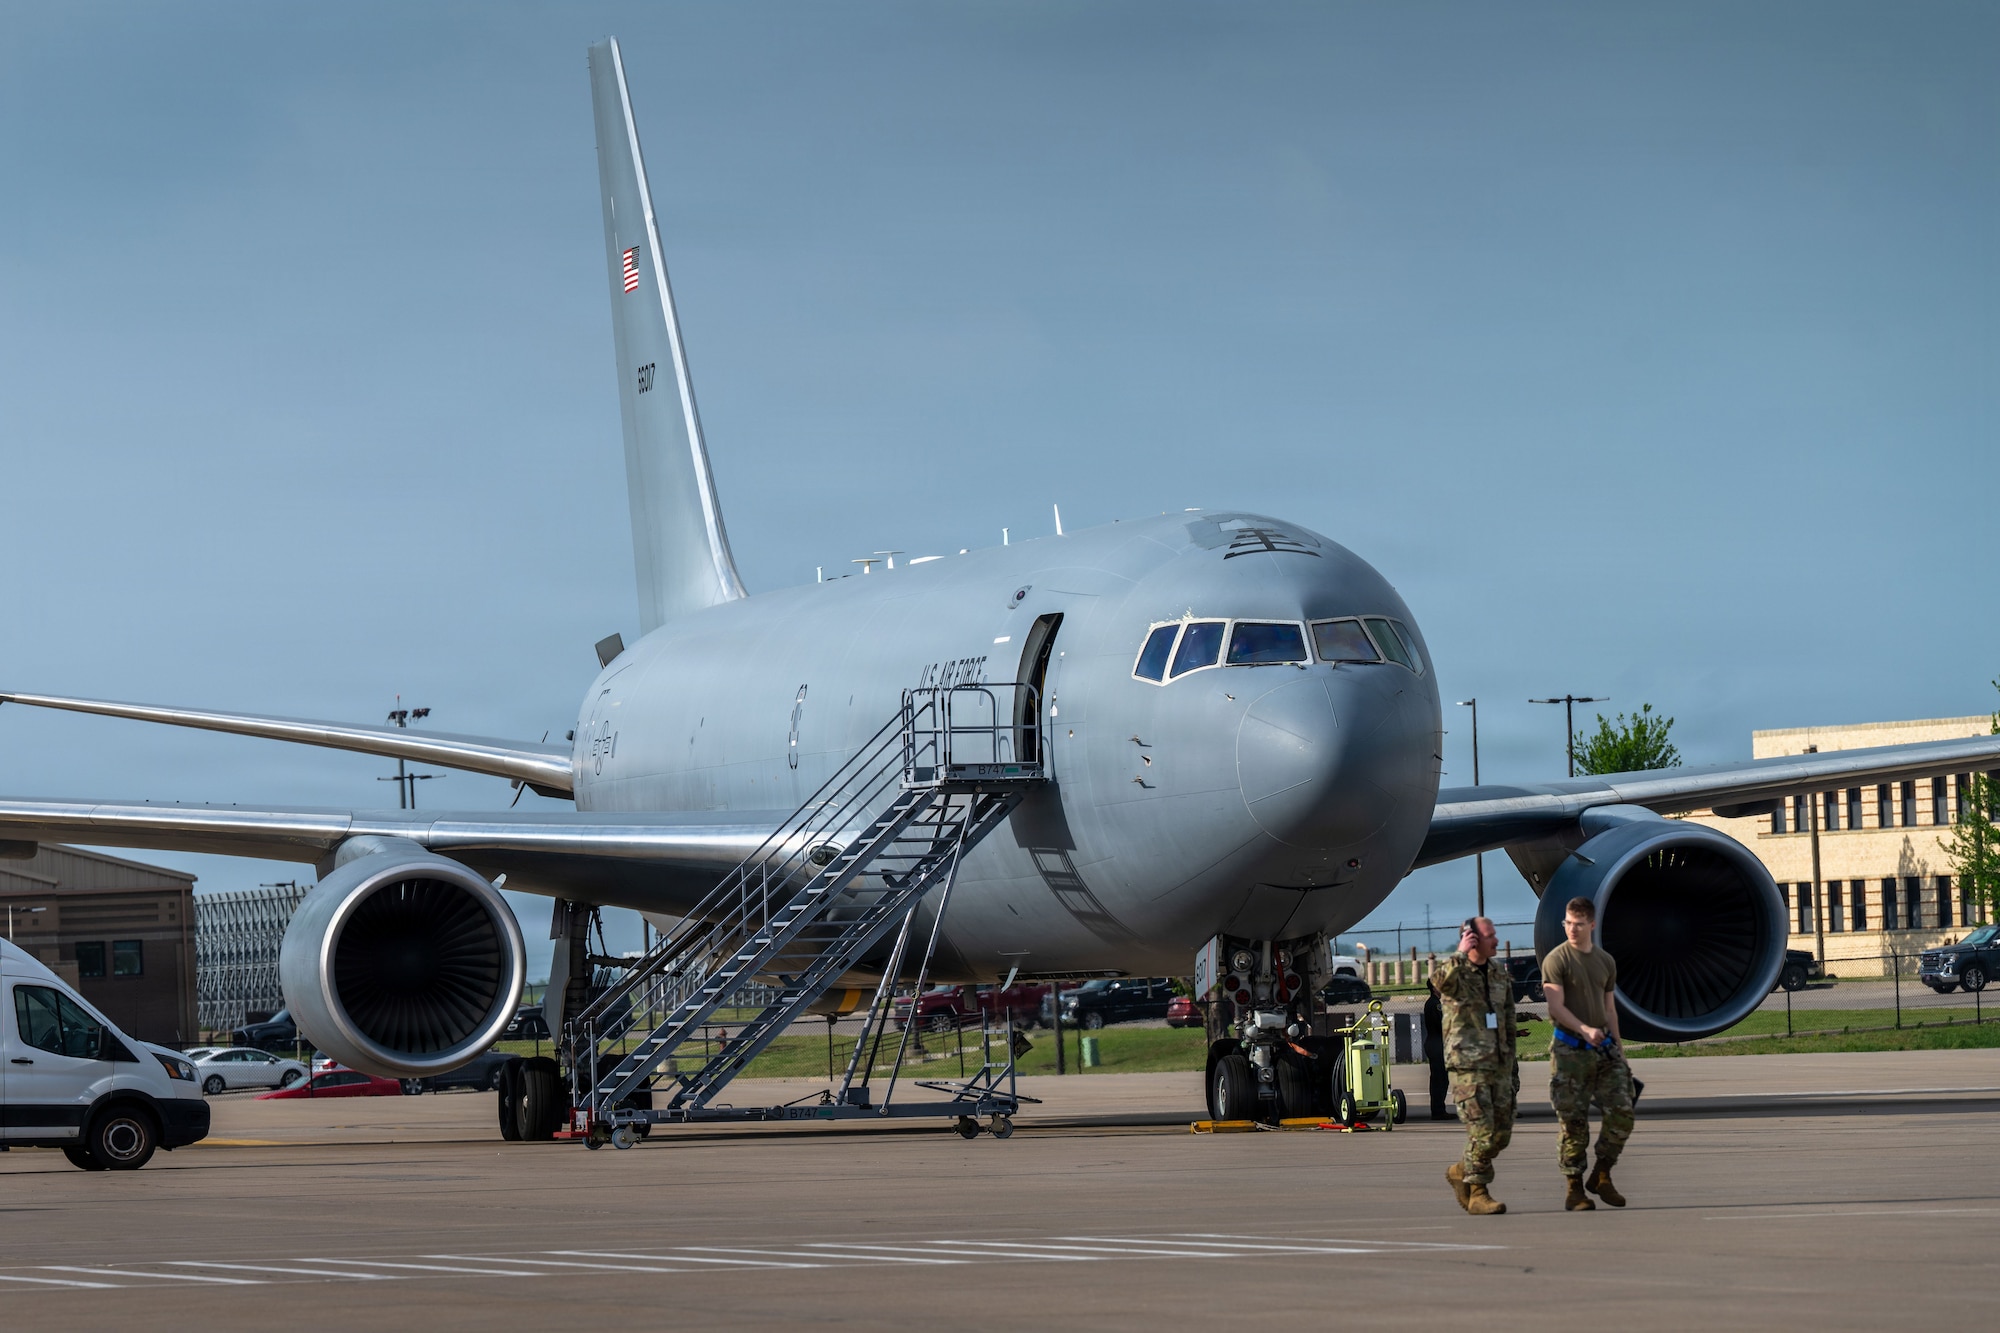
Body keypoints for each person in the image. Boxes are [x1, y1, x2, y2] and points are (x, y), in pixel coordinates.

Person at [1541, 896, 1635, 1211]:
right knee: (1573, 1121)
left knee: (1622, 1111)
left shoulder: (1605, 961)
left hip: (1604, 1050)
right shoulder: (1556, 960)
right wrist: (1584, 1029)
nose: (1572, 929)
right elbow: (1555, 1006)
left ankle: (1602, 1174)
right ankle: (1574, 1189)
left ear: (1591, 925)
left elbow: (1610, 1010)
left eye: (1578, 924)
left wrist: (1620, 1053)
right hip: (1570, 1050)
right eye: (1568, 923)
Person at [1433, 916, 1518, 1215]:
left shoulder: (1497, 973)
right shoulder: (1455, 971)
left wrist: (1510, 1062)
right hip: (1468, 1065)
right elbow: (1438, 983)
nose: (1496, 940)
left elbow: (1507, 1016)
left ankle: (1459, 1171)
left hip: (1499, 1065)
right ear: (1471, 939)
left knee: (1500, 1135)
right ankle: (1479, 1193)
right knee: (1481, 1132)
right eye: (1490, 936)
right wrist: (1458, 953)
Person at [1423, 976, 1449, 1119]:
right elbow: (1441, 1026)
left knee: (1440, 1079)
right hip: (1437, 1044)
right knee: (1440, 1079)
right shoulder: (1434, 1004)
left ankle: (1439, 1109)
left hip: (1435, 1043)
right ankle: (1438, 1111)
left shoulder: (1434, 1003)